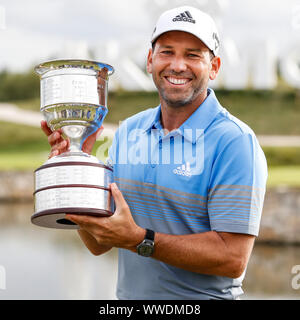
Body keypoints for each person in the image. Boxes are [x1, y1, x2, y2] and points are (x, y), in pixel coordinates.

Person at [41, 6, 268, 300]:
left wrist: (140, 240)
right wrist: (80, 171)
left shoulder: (235, 143)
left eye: (193, 54)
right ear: (150, 60)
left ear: (214, 67)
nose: (177, 65)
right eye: (167, 52)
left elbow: (232, 258)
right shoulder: (128, 132)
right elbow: (98, 244)